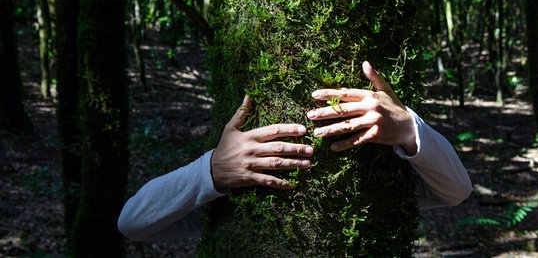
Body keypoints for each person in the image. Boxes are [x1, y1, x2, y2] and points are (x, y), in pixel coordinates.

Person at [118, 61, 472, 242]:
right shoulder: (234, 193)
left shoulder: (380, 182)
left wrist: (409, 127)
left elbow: (456, 190)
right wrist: (212, 170)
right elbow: (133, 223)